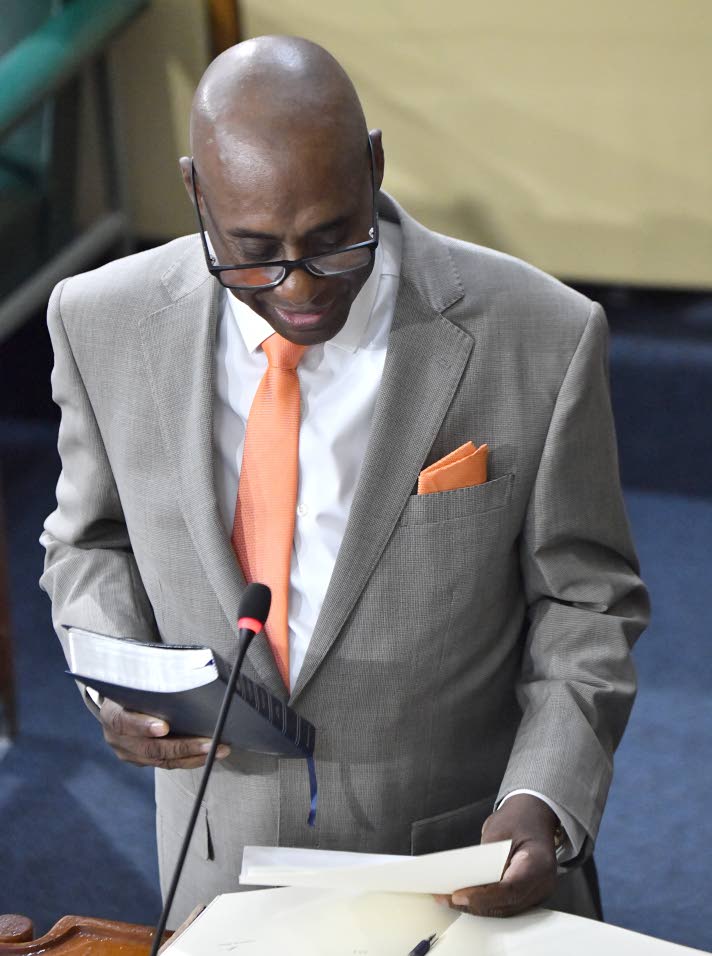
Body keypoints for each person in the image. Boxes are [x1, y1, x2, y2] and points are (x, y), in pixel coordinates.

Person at [40, 36, 649, 927]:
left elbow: (585, 602)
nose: (298, 287)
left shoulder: (541, 332)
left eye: (333, 241)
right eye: (253, 251)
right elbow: (88, 541)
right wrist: (118, 683)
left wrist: (545, 798)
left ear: (374, 165)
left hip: (454, 864)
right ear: (196, 193)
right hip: (220, 869)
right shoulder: (100, 321)